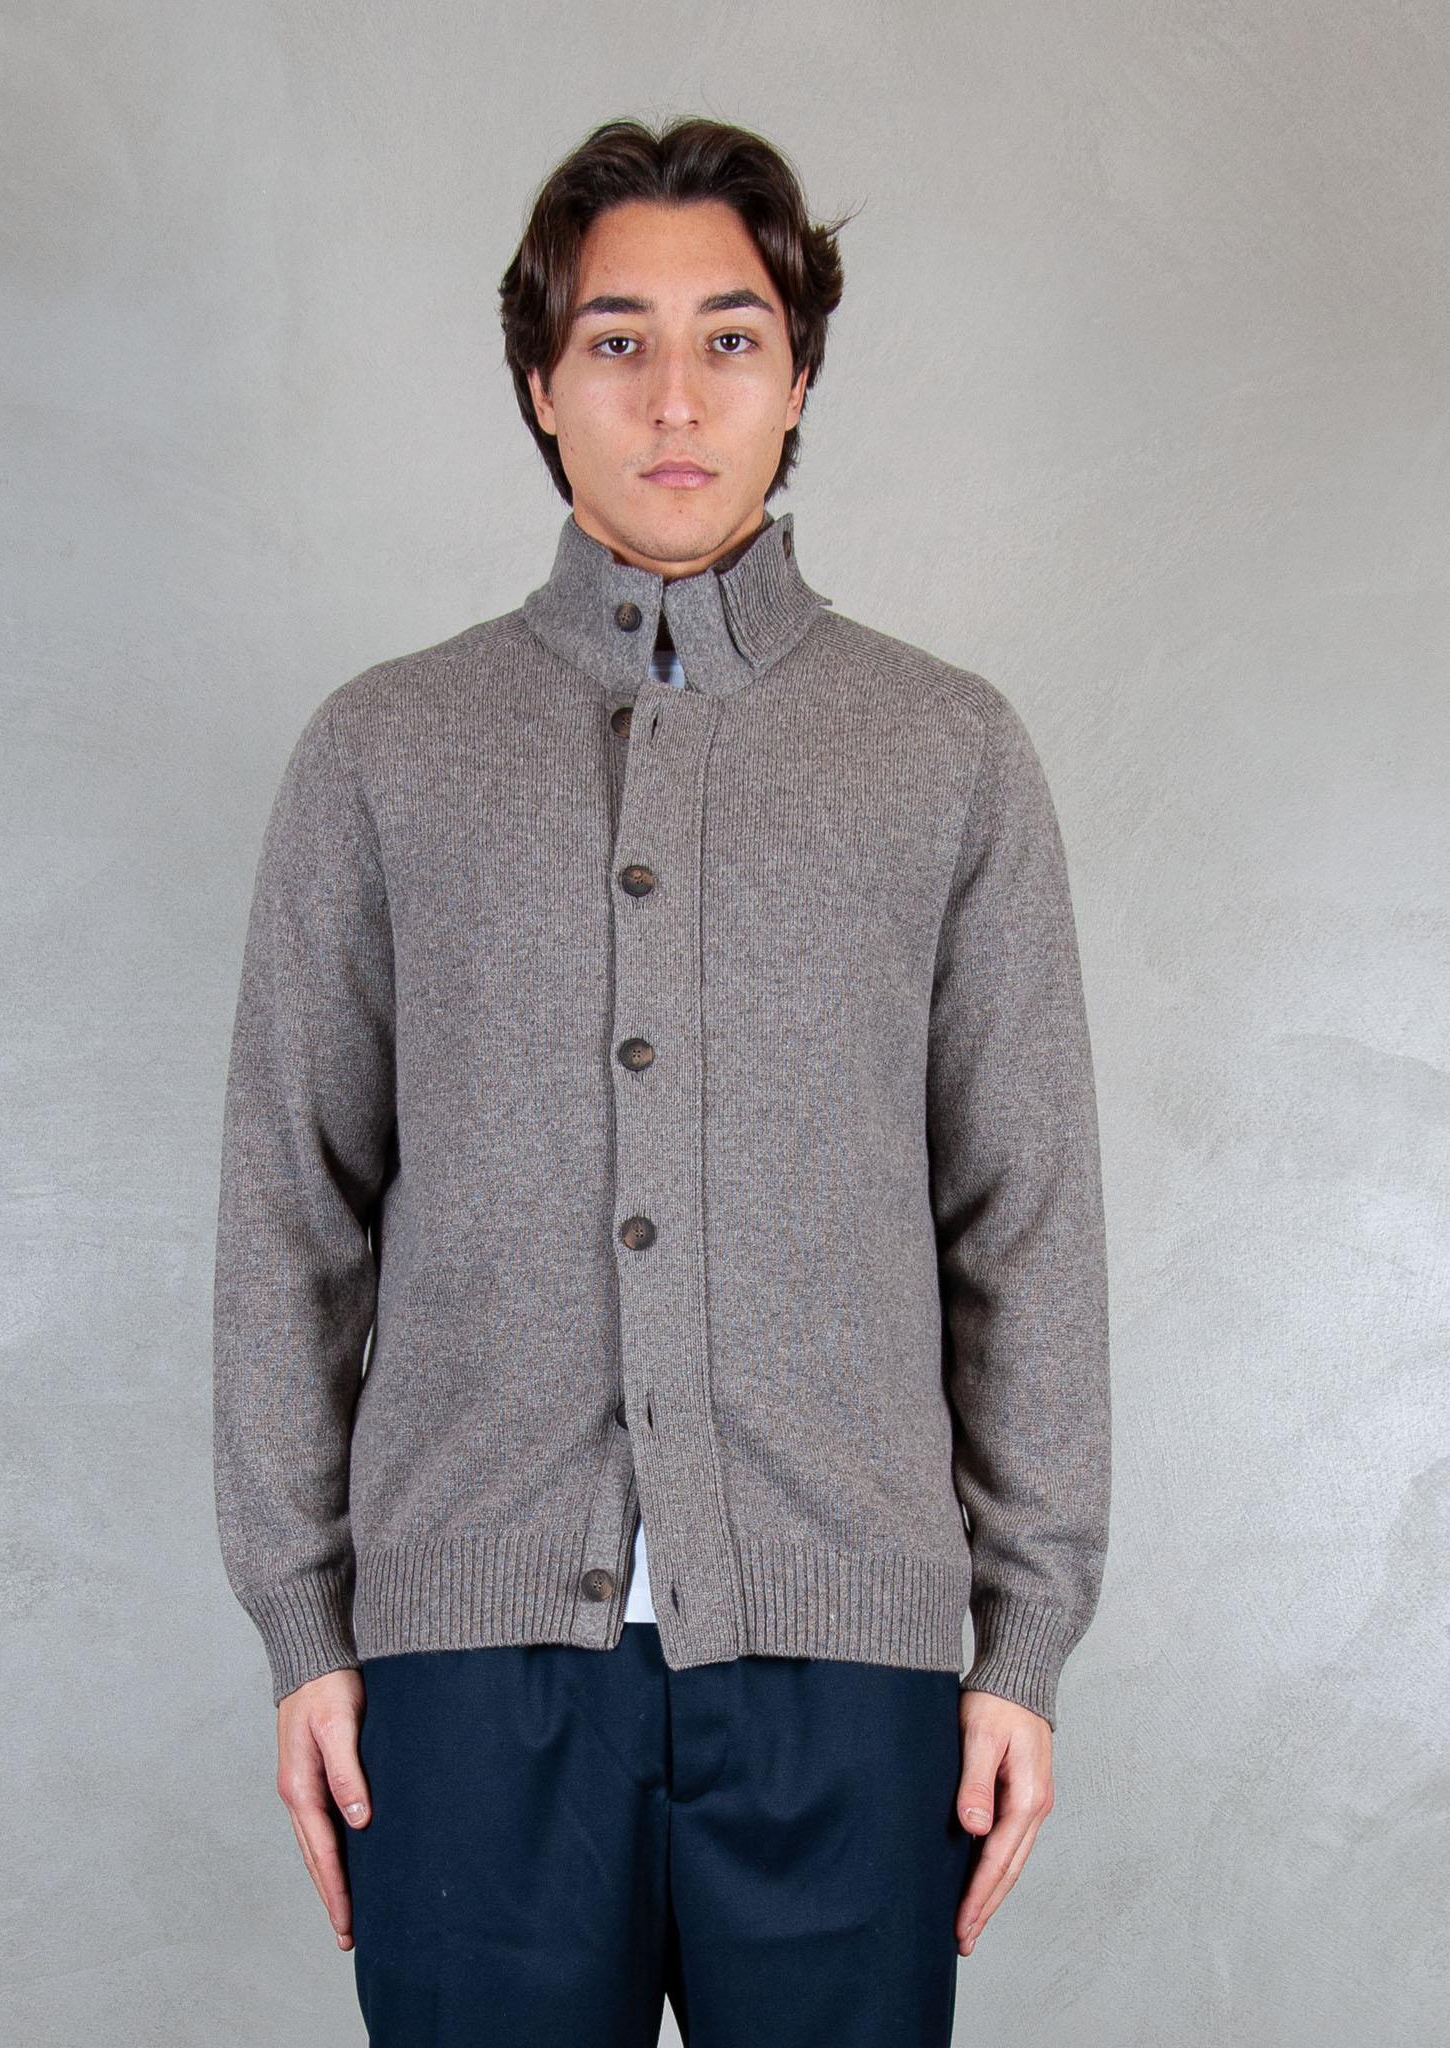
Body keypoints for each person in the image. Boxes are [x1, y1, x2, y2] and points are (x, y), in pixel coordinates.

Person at [213, 113, 1112, 2047]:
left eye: (732, 337)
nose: (676, 395)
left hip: (849, 1666)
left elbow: (1020, 1220)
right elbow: (292, 1215)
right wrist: (302, 1626)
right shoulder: (384, 751)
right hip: (465, 1682)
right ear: (541, 384)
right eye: (616, 340)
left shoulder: (944, 752)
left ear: (800, 379)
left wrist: (1021, 1644)